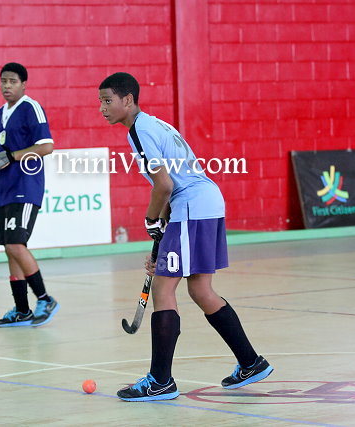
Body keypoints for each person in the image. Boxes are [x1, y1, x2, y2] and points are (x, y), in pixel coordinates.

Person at [98, 72, 273, 402]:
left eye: (108, 101)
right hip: (204, 202)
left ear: (128, 100)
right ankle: (251, 363)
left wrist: (151, 219)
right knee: (200, 289)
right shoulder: (156, 124)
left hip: (191, 205)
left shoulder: (139, 131)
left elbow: (164, 185)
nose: (102, 108)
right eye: (100, 102)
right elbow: (171, 183)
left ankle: (160, 381)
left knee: (163, 289)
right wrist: (163, 230)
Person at [0, 62, 59, 328]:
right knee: (9, 248)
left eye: (12, 81)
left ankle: (45, 299)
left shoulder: (31, 108)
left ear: (23, 84)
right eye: (3, 81)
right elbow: (3, 153)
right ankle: (22, 310)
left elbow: (46, 146)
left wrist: (11, 156)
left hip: (25, 186)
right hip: (4, 188)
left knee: (15, 244)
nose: (7, 86)